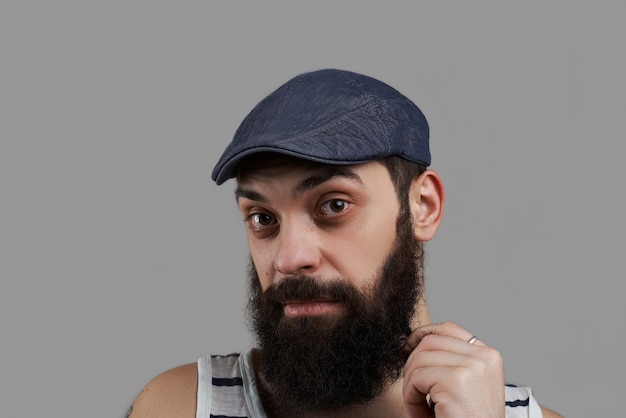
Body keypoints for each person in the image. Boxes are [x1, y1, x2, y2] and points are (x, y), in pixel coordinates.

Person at [128, 69, 561, 418]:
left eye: (334, 205)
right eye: (263, 218)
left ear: (423, 207)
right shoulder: (180, 407)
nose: (289, 258)